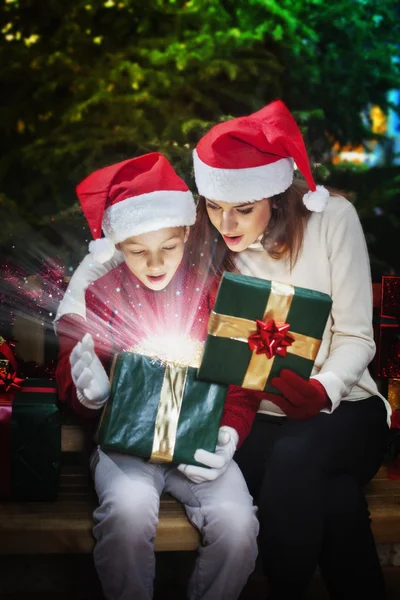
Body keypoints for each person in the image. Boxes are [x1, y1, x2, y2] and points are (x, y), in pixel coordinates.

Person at [181, 99, 390, 599]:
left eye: (242, 209)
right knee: (336, 499)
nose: (225, 223)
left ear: (274, 197)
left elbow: (359, 336)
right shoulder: (209, 242)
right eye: (214, 206)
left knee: (298, 459)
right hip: (256, 422)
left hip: (346, 414)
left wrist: (323, 389)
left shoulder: (333, 219)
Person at [55, 152, 260, 600]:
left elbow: (241, 382)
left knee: (239, 525)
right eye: (137, 250)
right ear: (117, 245)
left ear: (186, 233)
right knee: (126, 516)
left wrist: (230, 433)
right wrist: (89, 395)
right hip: (125, 449)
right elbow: (71, 372)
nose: (154, 263)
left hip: (198, 446)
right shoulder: (100, 295)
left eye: (167, 247)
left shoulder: (214, 295)